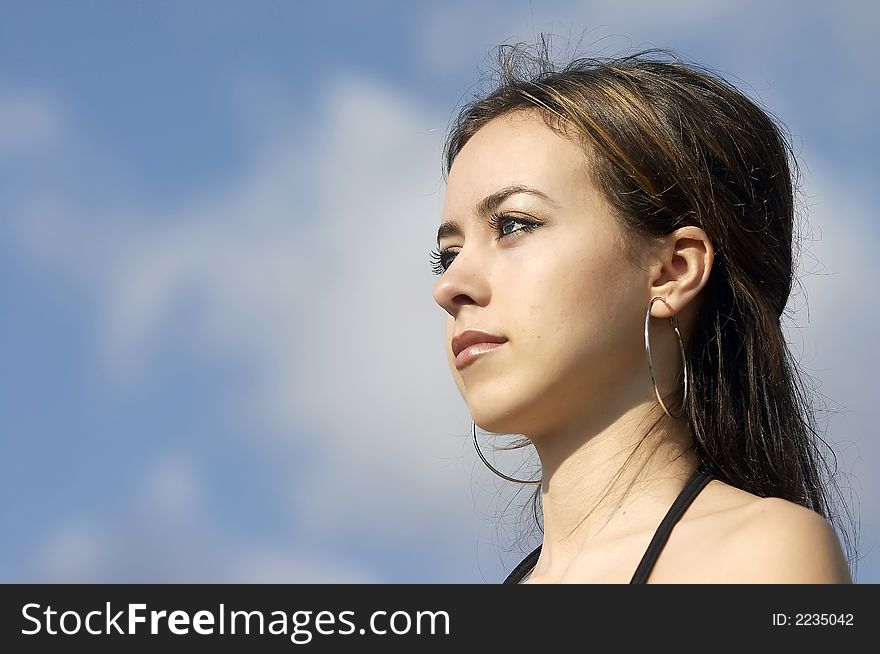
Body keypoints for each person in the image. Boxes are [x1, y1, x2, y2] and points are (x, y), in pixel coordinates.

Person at [429, 40, 857, 583]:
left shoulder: (759, 557)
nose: (450, 286)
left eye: (514, 225)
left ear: (673, 271)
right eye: (447, 254)